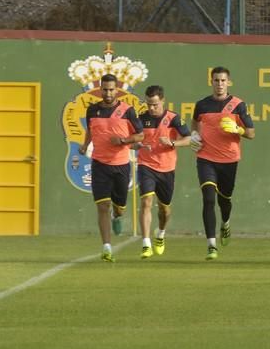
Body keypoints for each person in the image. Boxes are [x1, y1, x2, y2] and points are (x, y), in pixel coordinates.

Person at [191, 66, 255, 260]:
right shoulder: (202, 105)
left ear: (229, 82)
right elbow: (195, 123)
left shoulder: (238, 105)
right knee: (209, 198)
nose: (219, 84)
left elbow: (251, 133)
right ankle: (211, 245)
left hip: (229, 160)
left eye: (223, 81)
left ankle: (225, 223)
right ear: (211, 82)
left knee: (224, 201)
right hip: (206, 158)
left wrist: (238, 129)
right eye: (216, 80)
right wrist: (195, 134)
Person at [78, 74, 144, 262]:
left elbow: (140, 136)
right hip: (99, 164)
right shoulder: (92, 110)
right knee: (102, 206)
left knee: (119, 207)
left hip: (121, 165)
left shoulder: (127, 111)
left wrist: (123, 140)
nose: (108, 93)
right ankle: (106, 247)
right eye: (105, 89)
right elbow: (91, 130)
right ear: (100, 89)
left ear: (117, 90)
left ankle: (118, 215)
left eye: (111, 89)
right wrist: (85, 145)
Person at [133, 85, 191, 259]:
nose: (151, 108)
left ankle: (161, 233)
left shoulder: (174, 118)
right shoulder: (140, 118)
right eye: (149, 104)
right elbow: (131, 141)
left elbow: (189, 139)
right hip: (146, 165)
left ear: (162, 101)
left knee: (164, 211)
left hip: (167, 168)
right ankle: (146, 244)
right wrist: (137, 144)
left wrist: (173, 143)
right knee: (146, 202)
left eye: (155, 104)